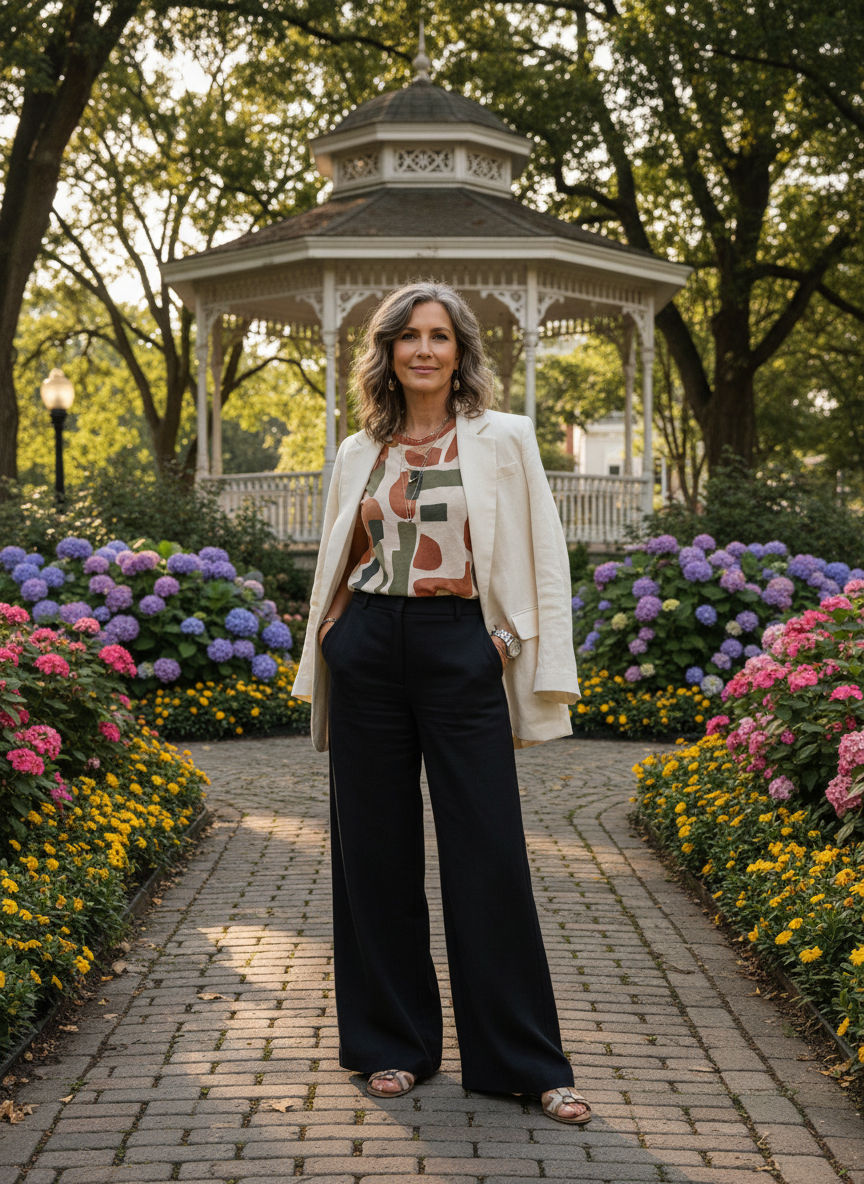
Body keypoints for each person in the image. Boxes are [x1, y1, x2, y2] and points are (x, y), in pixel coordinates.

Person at [291, 280, 589, 1125]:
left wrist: (509, 639)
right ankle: (393, 1046)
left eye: (440, 336)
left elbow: (543, 552)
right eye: (408, 337)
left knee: (487, 853)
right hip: (370, 652)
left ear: (461, 352)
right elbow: (340, 553)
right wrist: (336, 633)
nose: (424, 349)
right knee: (374, 859)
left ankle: (523, 1062)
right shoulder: (361, 450)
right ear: (386, 353)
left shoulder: (504, 440)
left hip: (463, 647)